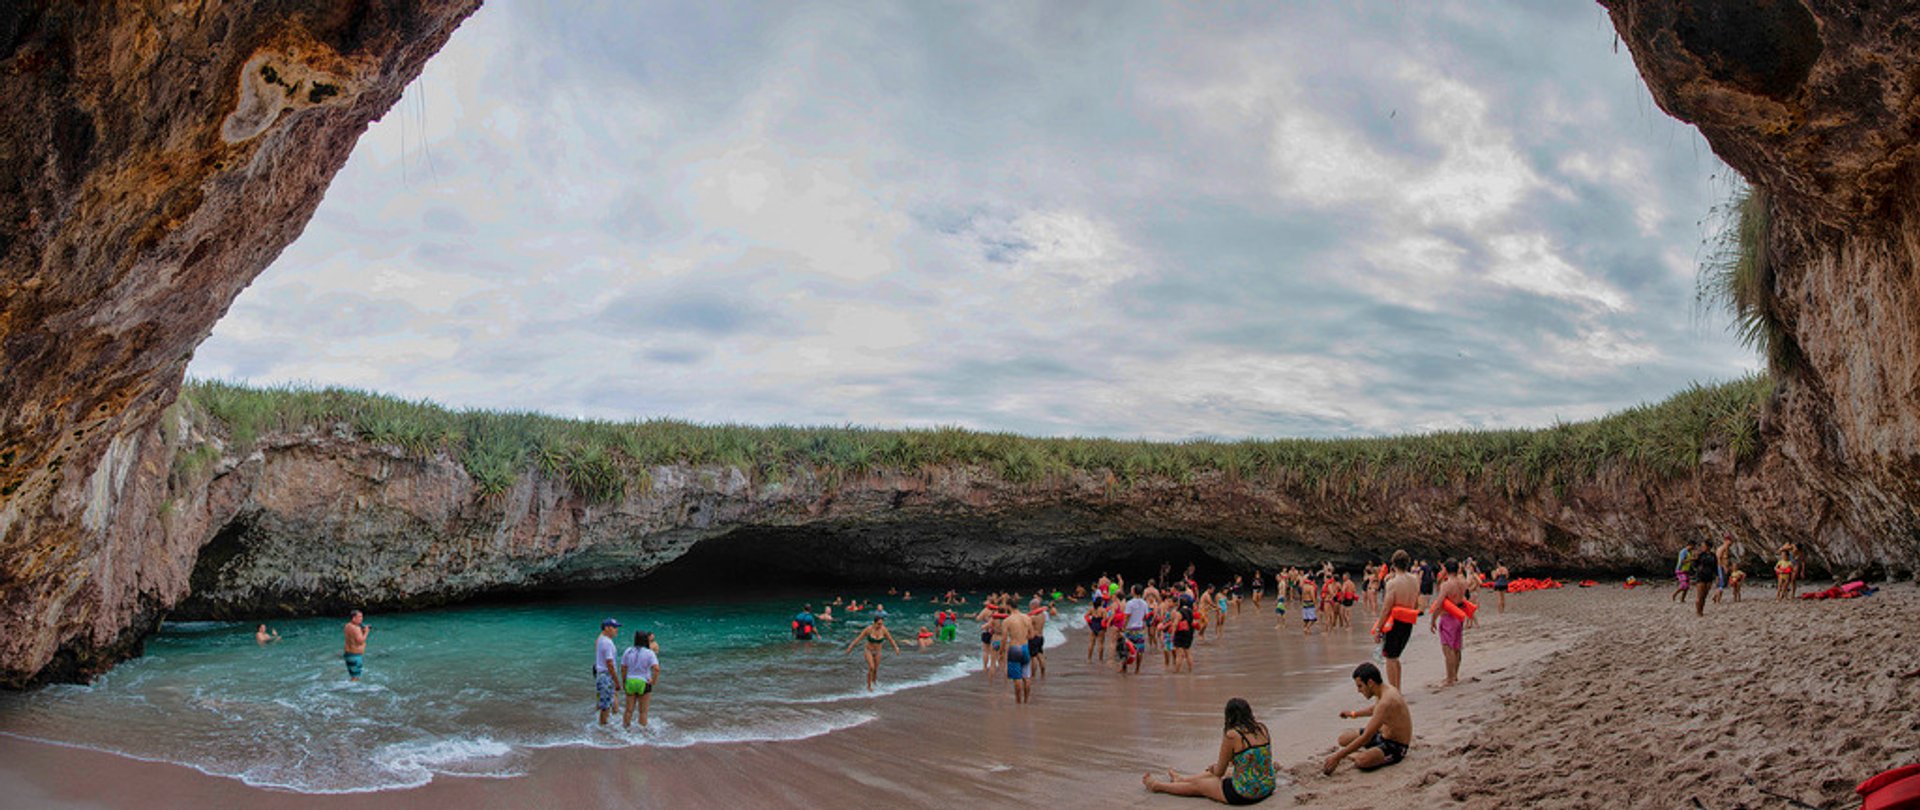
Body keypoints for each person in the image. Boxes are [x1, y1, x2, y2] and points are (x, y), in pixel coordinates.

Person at [1142, 697, 1275, 804]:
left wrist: (1213, 769)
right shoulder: (1262, 728)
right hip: (1267, 787)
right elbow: (1256, 759)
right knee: (1228, 771)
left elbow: (1219, 772)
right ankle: (1181, 779)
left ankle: (1157, 786)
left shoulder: (1232, 735)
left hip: (1244, 794)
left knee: (1200, 785)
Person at [1324, 662, 1412, 775]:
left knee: (1362, 761)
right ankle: (1357, 753)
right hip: (1381, 735)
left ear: (1370, 683)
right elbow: (1373, 710)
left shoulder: (1386, 702)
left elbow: (1366, 737)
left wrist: (1337, 757)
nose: (1358, 690)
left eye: (1360, 686)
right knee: (1343, 739)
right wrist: (1352, 714)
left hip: (1395, 746)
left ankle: (1356, 755)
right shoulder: (1384, 689)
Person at [1370, 551, 1419, 691]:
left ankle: (1393, 691)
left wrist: (1379, 629)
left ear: (1393, 565)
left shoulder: (1392, 583)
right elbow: (1415, 603)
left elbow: (1386, 609)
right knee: (1396, 656)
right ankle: (1398, 689)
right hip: (1408, 622)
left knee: (1390, 658)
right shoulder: (1415, 579)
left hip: (1395, 623)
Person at [1428, 559, 1468, 688]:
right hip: (1459, 615)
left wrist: (1433, 619)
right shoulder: (1463, 582)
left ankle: (1449, 678)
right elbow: (1465, 598)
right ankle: (1455, 675)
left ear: (1446, 569)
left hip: (1448, 617)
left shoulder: (1446, 584)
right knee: (1457, 647)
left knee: (1447, 648)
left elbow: (1439, 603)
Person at [845, 615, 902, 691]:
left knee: (875, 669)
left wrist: (896, 648)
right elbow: (858, 639)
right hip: (868, 650)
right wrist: (850, 647)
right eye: (879, 624)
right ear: (874, 623)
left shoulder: (884, 630)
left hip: (878, 652)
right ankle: (869, 687)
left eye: (881, 624)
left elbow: (890, 639)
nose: (880, 625)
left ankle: (874, 683)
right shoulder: (868, 629)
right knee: (871, 667)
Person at [619, 630, 660, 728]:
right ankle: (642, 735)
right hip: (644, 682)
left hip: (630, 681)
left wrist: (624, 681)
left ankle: (625, 730)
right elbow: (656, 669)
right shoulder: (649, 653)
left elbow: (623, 668)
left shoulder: (628, 651)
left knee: (629, 710)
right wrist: (653, 681)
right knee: (643, 712)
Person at [1001, 607, 1034, 704]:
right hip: (1025, 647)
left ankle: (1018, 702)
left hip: (1014, 648)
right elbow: (1031, 635)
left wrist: (1001, 652)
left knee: (1017, 678)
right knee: (1026, 676)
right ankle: (1026, 700)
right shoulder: (1027, 617)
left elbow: (1004, 639)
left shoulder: (1007, 620)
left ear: (1009, 607)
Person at [593, 618, 620, 725]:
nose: (616, 630)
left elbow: (596, 642)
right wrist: (617, 681)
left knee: (603, 702)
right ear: (607, 628)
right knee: (606, 705)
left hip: (600, 675)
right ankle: (603, 728)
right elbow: (610, 664)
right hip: (606, 676)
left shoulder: (601, 639)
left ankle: (600, 724)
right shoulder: (607, 643)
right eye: (614, 627)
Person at [1122, 585, 1151, 674]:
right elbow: (1146, 616)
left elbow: (1127, 617)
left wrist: (1123, 627)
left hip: (1129, 628)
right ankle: (1137, 669)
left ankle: (1124, 668)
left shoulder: (1129, 603)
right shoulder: (1144, 603)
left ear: (1133, 591)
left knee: (1125, 649)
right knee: (1140, 650)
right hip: (1139, 628)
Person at [1026, 597, 1057, 678]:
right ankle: (1043, 673)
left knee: (1033, 657)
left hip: (1034, 637)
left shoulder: (1032, 617)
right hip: (1041, 637)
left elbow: (1027, 626)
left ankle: (1033, 675)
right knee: (1040, 655)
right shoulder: (1043, 615)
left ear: (1034, 606)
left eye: (1030, 605)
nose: (1030, 607)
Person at [1689, 538, 1718, 617]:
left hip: (1709, 577)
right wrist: (1694, 559)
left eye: (1703, 546)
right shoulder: (1700, 555)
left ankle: (1701, 610)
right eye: (1702, 546)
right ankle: (1698, 612)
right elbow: (1694, 566)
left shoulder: (1713, 555)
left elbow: (1715, 567)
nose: (1702, 547)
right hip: (1701, 576)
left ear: (1708, 546)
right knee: (1700, 596)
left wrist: (1717, 577)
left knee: (1705, 595)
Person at [343, 611, 372, 682]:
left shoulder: (347, 626)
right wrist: (366, 632)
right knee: (355, 678)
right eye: (359, 617)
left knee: (353, 676)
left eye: (362, 616)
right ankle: (352, 691)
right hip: (355, 656)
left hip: (348, 654)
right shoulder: (356, 629)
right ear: (353, 618)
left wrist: (362, 630)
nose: (361, 619)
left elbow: (353, 637)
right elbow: (360, 641)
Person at [1711, 535, 1733, 603]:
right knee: (1722, 583)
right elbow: (1719, 558)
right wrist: (1724, 567)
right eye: (1730, 541)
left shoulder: (1726, 548)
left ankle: (1715, 597)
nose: (1731, 543)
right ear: (1726, 540)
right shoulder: (1722, 548)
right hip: (1721, 567)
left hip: (1723, 567)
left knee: (1723, 583)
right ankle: (1717, 599)